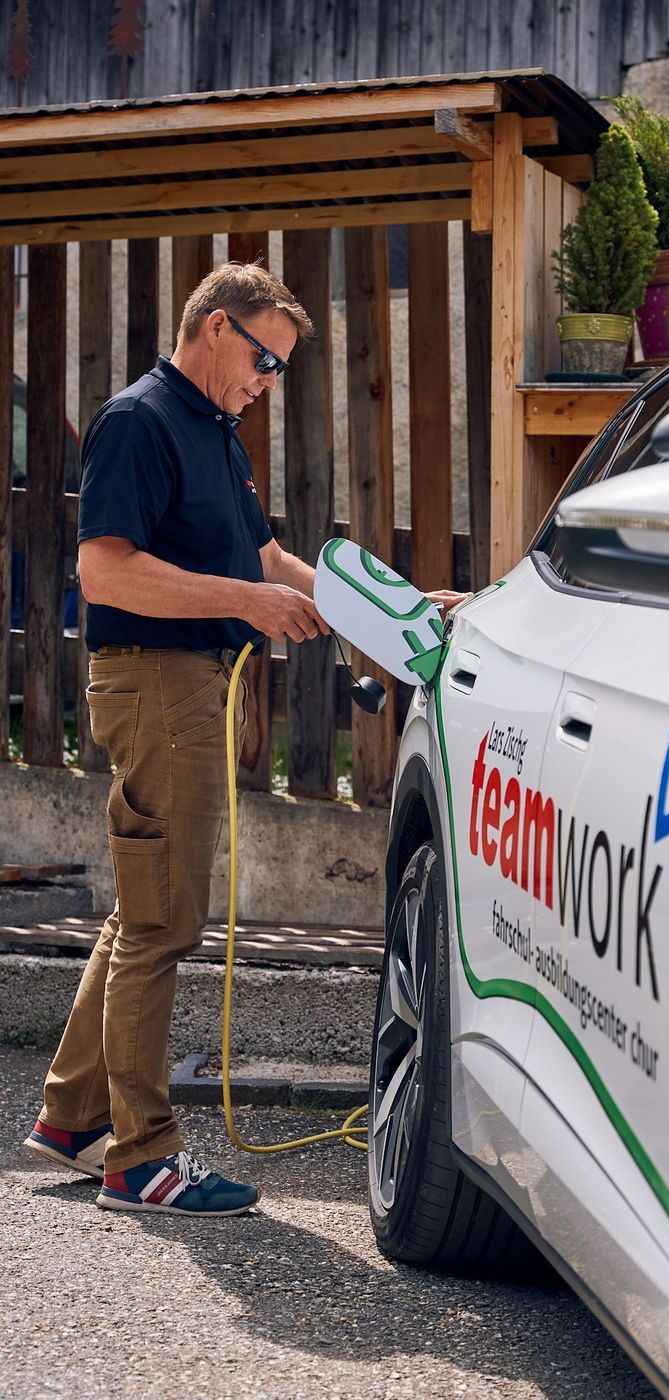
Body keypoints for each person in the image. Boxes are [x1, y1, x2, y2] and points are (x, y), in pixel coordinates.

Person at [23, 260, 464, 1218]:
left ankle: (68, 1116)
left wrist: (386, 612)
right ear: (214, 326)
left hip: (185, 688)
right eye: (263, 359)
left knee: (140, 910)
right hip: (156, 685)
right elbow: (106, 572)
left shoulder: (216, 431)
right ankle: (140, 1161)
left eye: (278, 370)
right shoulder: (139, 421)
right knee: (158, 927)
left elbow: (263, 558)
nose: (267, 381)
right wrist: (247, 605)